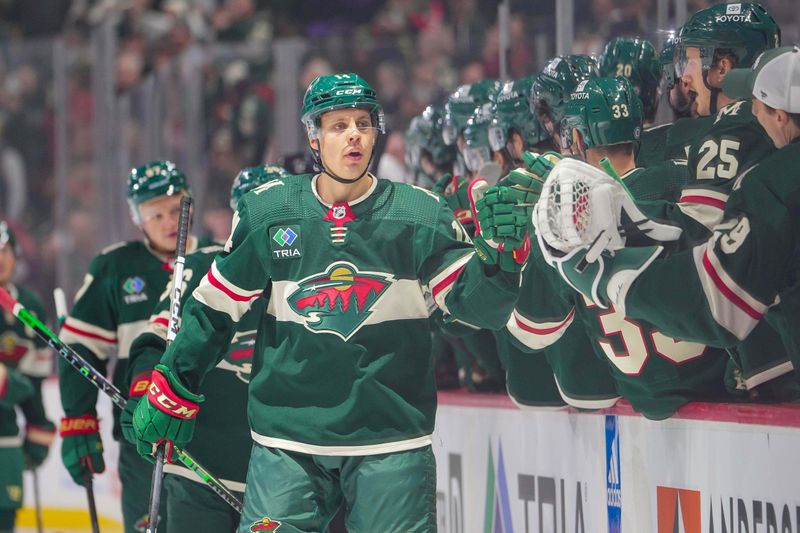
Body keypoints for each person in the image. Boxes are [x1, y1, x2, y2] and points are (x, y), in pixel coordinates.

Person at [130, 73, 527, 532]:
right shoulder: (270, 212)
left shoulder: (419, 214)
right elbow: (213, 311)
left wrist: (501, 261)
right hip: (288, 441)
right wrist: (173, 384)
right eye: (338, 125)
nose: (353, 133)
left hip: (390, 439)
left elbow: (476, 309)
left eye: (362, 122)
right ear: (313, 138)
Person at [536, 45, 800, 392]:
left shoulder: (776, 183)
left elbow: (716, 304)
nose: (748, 110)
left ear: (781, 115)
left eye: (756, 103)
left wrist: (608, 277)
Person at [528, 77, 730, 419]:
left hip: (639, 401)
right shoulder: (690, 178)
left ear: (575, 137)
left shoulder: (562, 217)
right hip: (723, 388)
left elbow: (533, 330)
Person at [123, 165, 289, 533]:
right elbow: (155, 341)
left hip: (281, 478)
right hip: (198, 469)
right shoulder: (200, 267)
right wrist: (144, 396)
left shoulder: (307, 275)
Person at [58, 161, 209, 533]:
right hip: (140, 435)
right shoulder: (115, 267)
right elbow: (79, 348)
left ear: (190, 203)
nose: (168, 220)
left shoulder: (219, 259)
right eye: (153, 213)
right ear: (136, 217)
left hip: (207, 438)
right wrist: (80, 422)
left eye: (176, 208)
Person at [0, 221, 54, 533]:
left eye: (5, 250)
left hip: (5, 442)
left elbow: (31, 385)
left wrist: (39, 430)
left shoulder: (28, 306)